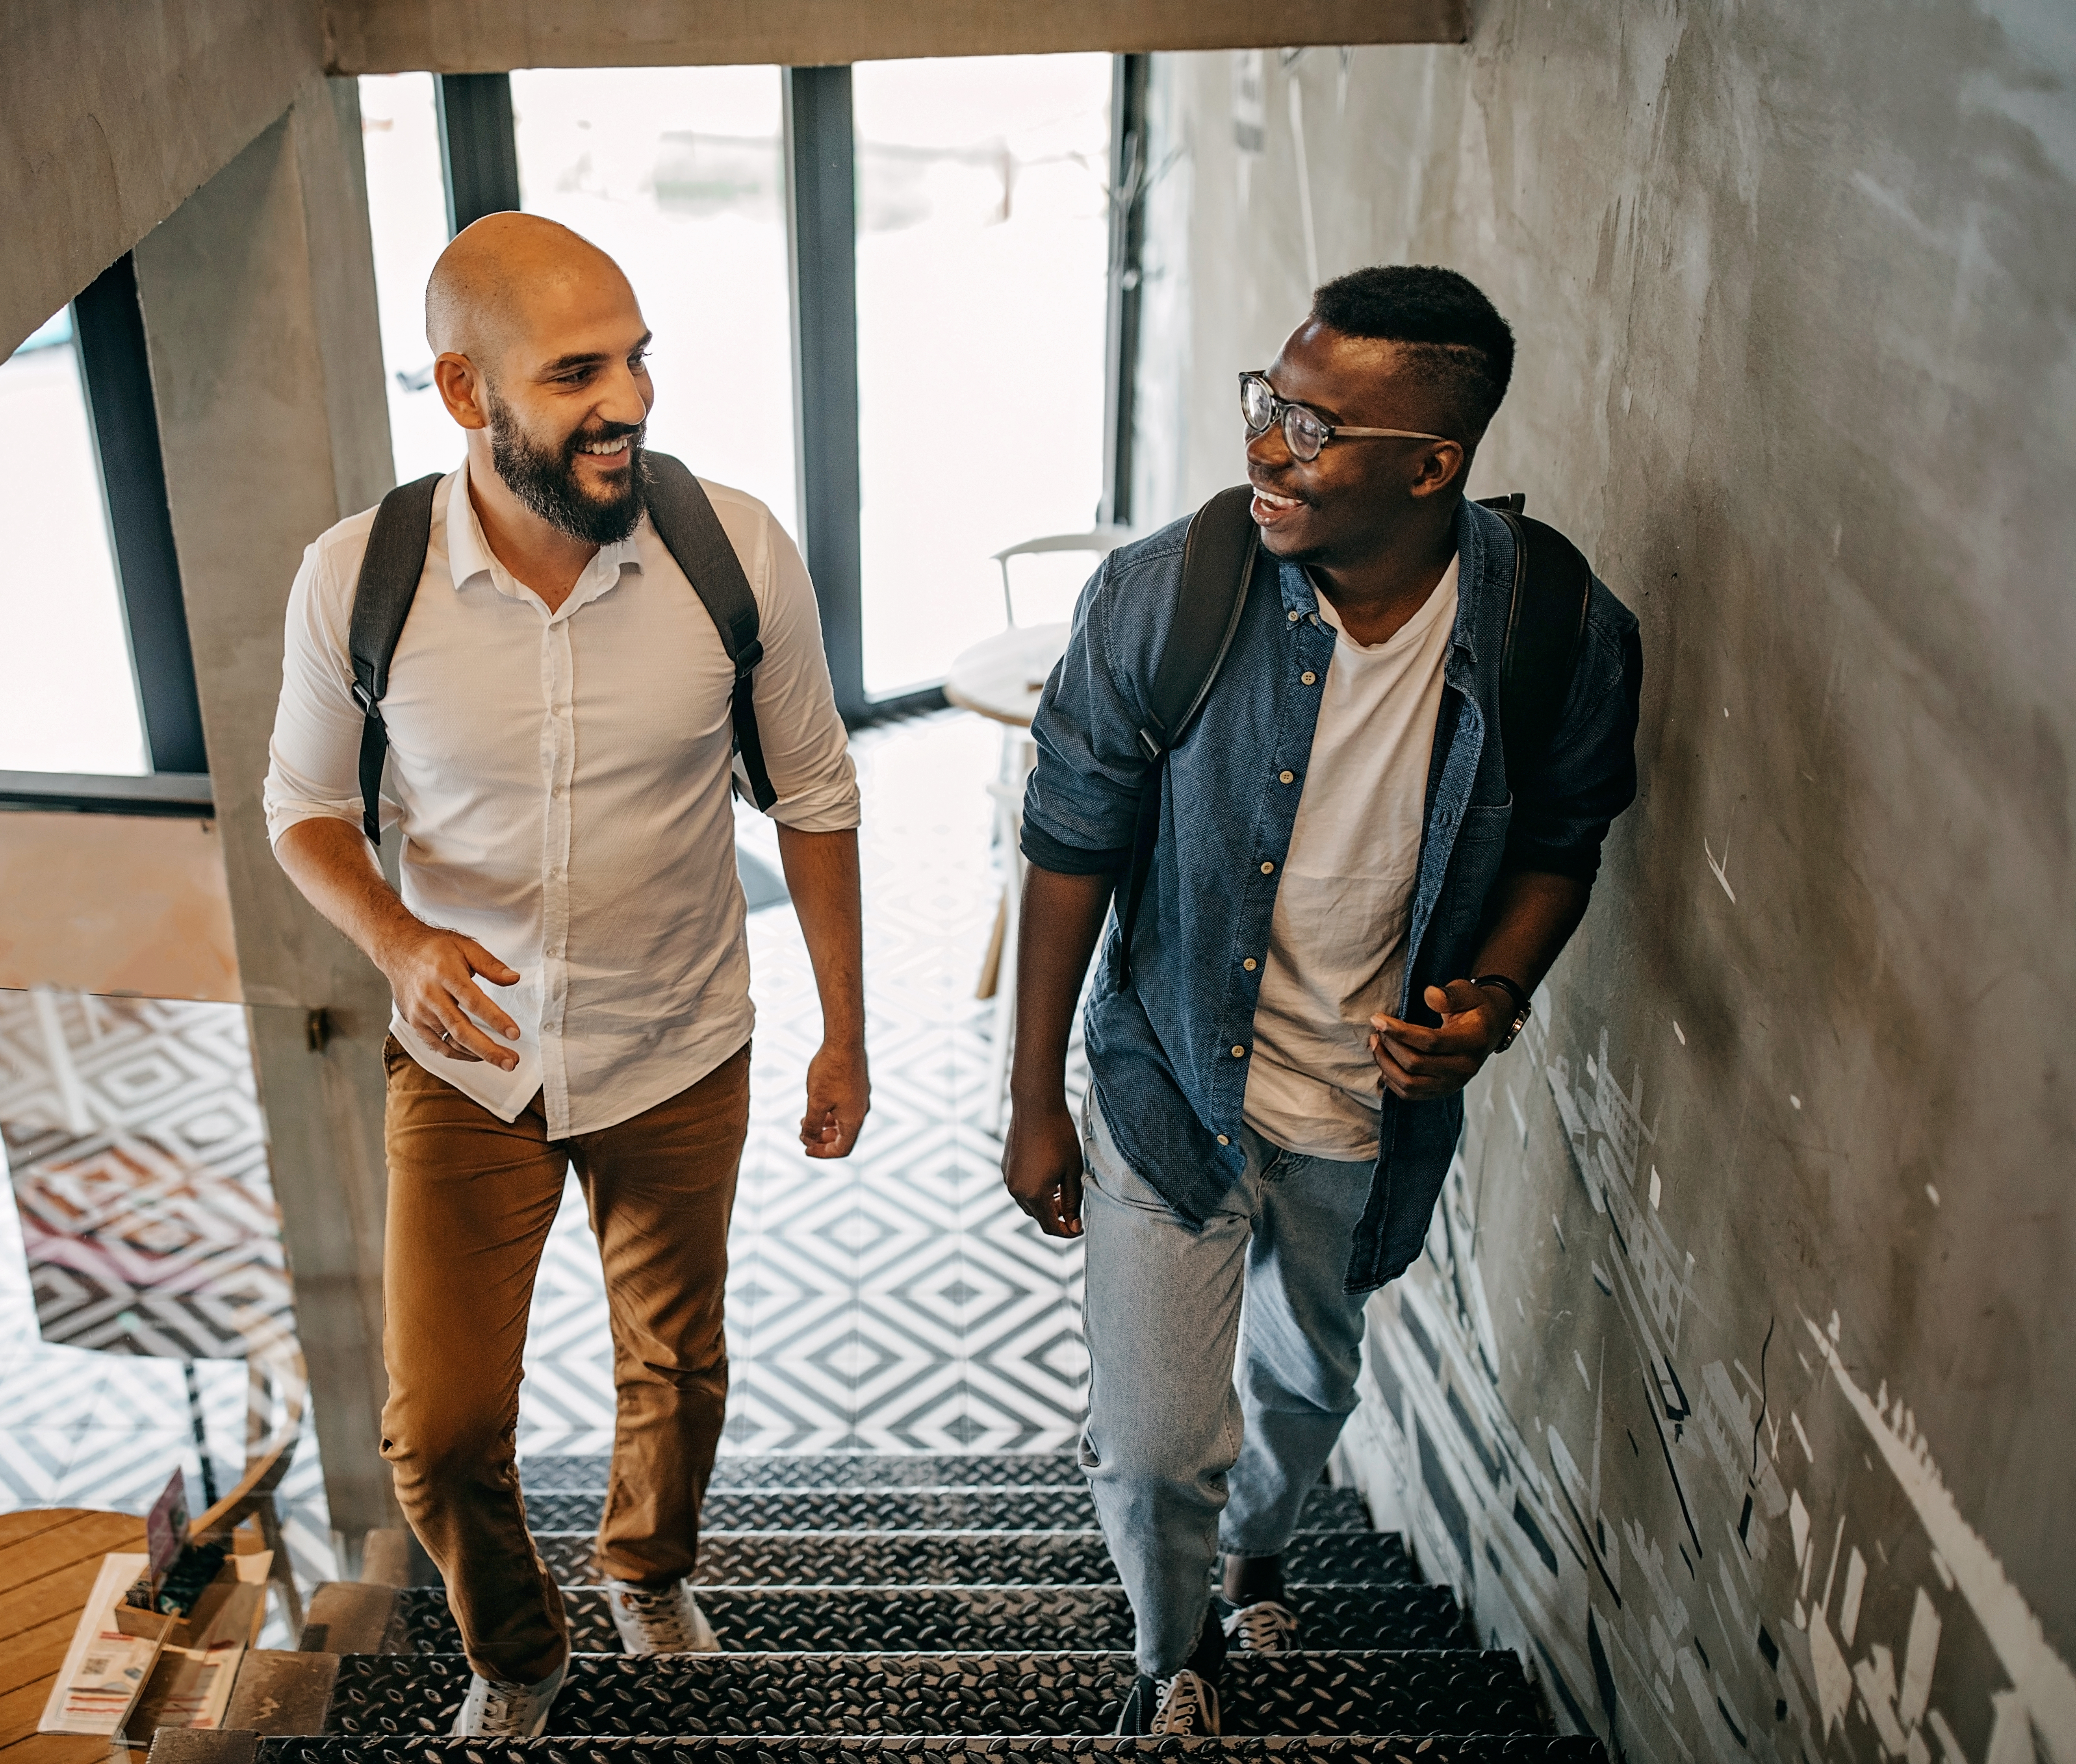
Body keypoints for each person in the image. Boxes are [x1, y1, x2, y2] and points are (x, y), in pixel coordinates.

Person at [1000, 266, 1640, 1734]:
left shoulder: (1557, 631)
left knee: (1300, 1395)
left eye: (1313, 424)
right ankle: (1176, 1662)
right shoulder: (1169, 594)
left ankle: (1263, 1551)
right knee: (1158, 1444)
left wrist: (1494, 996)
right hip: (1171, 1084)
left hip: (1367, 1118)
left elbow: (1563, 844)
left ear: (1433, 465)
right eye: (1268, 402)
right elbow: (1069, 842)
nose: (1267, 446)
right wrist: (1038, 1097)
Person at [263, 214, 869, 1737]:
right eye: (579, 373)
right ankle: (518, 1656)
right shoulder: (358, 579)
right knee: (439, 1429)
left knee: (678, 1357)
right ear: (468, 393)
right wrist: (399, 942)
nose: (632, 401)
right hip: (471, 1066)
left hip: (679, 1043)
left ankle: (650, 1571)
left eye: (640, 358)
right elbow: (304, 813)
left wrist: (844, 1035)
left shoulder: (733, 552)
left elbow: (815, 794)